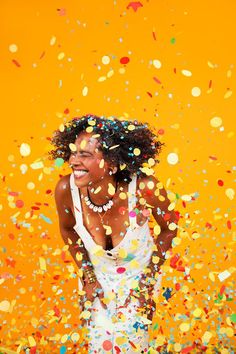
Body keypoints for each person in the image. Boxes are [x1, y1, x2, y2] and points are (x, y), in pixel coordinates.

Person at [49, 114, 179, 353]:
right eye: (73, 153)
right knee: (99, 343)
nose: (73, 161)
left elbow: (170, 228)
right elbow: (68, 229)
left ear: (111, 161)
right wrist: (87, 277)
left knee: (131, 340)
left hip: (139, 271)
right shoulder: (66, 190)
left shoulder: (144, 188)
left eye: (85, 155)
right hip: (96, 272)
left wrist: (148, 283)